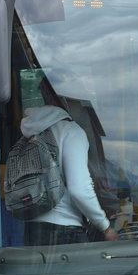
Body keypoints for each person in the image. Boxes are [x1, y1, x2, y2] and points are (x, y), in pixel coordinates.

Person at [17, 104, 117, 246]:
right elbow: (79, 188)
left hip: (32, 227)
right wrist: (105, 227)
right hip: (64, 229)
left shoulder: (29, 136)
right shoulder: (71, 131)